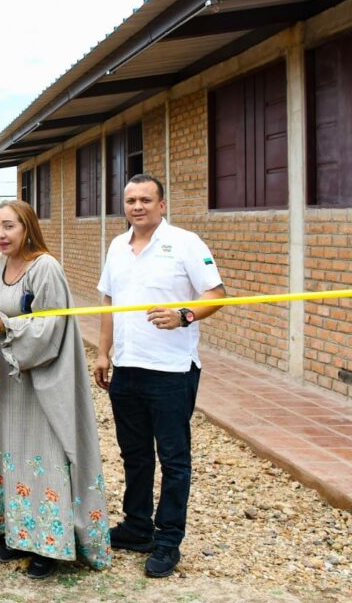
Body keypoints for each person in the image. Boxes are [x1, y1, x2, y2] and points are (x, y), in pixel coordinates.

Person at [0, 201, 112, 578]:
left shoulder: (46, 268)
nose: (1, 234)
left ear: (27, 228)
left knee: (44, 454)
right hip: (8, 386)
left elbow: (50, 329)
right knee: (11, 453)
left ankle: (51, 544)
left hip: (41, 381)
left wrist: (3, 327)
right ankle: (18, 534)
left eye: (9, 226)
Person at [93, 174, 225, 578]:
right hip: (128, 369)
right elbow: (109, 301)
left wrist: (184, 315)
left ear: (162, 205)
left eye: (146, 200)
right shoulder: (117, 246)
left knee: (173, 459)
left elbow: (216, 295)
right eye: (131, 200)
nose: (137, 207)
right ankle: (137, 527)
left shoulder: (185, 243)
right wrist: (102, 352)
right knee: (134, 453)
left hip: (170, 371)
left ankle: (168, 540)